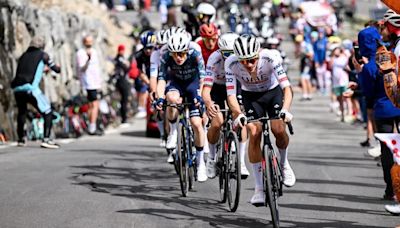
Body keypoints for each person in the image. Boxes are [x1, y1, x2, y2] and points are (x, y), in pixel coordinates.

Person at [225, 34, 295, 206]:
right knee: (254, 132)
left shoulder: (270, 57)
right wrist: (238, 113)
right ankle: (259, 188)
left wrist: (285, 110)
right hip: (250, 96)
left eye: (252, 60)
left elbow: (287, 89)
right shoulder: (231, 63)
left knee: (278, 129)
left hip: (273, 93)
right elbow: (231, 95)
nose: (248, 65)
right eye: (244, 61)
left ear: (258, 54)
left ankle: (284, 163)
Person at [355, 25, 400, 202]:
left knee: (387, 151)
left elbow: (368, 93)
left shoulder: (369, 67)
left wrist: (360, 74)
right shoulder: (391, 56)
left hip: (382, 110)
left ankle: (391, 189)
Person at [155, 32, 207, 182]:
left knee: (197, 124)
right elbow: (161, 79)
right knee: (171, 98)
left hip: (194, 84)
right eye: (175, 54)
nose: (178, 57)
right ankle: (172, 132)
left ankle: (200, 162)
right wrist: (159, 98)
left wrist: (200, 96)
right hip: (176, 83)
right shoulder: (165, 54)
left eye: (182, 54)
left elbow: (203, 78)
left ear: (187, 51)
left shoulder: (195, 51)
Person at [202, 32, 250, 179]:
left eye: (233, 53)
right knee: (217, 122)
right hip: (217, 88)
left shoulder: (241, 58)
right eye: (226, 53)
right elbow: (206, 89)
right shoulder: (214, 59)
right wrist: (209, 103)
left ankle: (241, 162)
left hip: (236, 87)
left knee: (241, 120)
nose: (230, 56)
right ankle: (211, 157)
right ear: (220, 51)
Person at [11, 36, 61, 149]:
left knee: (22, 112)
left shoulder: (23, 56)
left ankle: (21, 139)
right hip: (31, 88)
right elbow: (56, 69)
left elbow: (28, 69)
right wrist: (58, 68)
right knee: (47, 112)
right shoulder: (43, 55)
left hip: (17, 88)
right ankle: (46, 139)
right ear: (42, 46)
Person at [76, 35, 104, 136]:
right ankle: (92, 127)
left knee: (93, 105)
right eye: (87, 42)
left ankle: (91, 125)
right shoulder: (81, 53)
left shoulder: (94, 52)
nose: (89, 44)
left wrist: (100, 82)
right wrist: (88, 59)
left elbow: (97, 69)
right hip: (88, 83)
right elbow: (82, 68)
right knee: (94, 105)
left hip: (95, 83)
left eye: (90, 41)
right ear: (84, 42)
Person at [134, 30, 157, 119]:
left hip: (160, 76)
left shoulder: (159, 52)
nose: (147, 51)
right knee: (144, 89)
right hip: (148, 76)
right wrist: (149, 83)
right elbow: (141, 72)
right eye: (145, 48)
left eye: (150, 48)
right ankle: (143, 109)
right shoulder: (139, 55)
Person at [113, 44, 131, 125]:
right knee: (124, 100)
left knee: (125, 100)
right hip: (121, 81)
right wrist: (128, 65)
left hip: (123, 80)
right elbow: (126, 68)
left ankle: (124, 117)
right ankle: (123, 118)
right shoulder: (119, 59)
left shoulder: (121, 59)